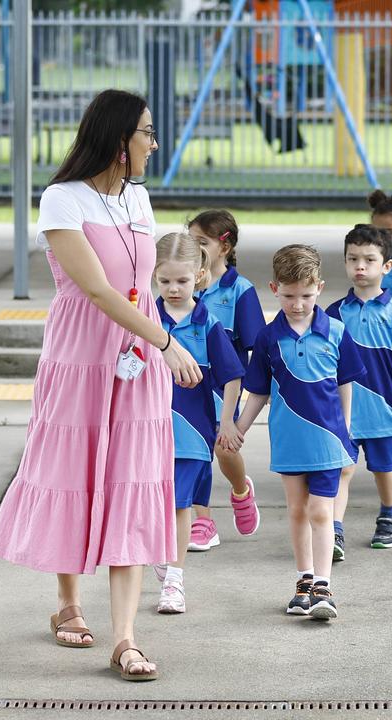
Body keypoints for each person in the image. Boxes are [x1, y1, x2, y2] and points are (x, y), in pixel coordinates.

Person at [0, 89, 202, 682]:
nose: (154, 145)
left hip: (135, 354)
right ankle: (68, 603)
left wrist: (157, 342)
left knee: (131, 480)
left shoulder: (138, 199)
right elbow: (97, 291)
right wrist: (166, 343)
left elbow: (141, 285)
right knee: (75, 471)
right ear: (118, 140)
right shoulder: (62, 199)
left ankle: (127, 639)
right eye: (147, 134)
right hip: (82, 354)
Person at [234, 244, 366, 620]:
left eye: (306, 295)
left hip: (328, 441)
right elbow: (257, 390)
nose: (297, 303)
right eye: (289, 295)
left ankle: (323, 586)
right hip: (289, 441)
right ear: (274, 289)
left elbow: (345, 385)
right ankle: (303, 582)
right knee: (295, 511)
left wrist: (347, 430)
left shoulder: (337, 332)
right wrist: (239, 427)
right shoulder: (267, 338)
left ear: (319, 288)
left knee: (320, 511)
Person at [151, 232, 244, 614]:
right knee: (154, 502)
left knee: (180, 505)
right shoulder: (144, 322)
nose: (174, 289)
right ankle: (162, 555)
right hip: (147, 432)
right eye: (165, 281)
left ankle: (175, 581)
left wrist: (226, 423)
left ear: (200, 276)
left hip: (193, 433)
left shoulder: (209, 326)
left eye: (182, 281)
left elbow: (233, 377)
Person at [326, 225, 392, 557]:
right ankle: (334, 530)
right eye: (353, 259)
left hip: (385, 408)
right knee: (341, 468)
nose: (360, 267)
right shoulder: (334, 313)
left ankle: (389, 514)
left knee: (384, 467)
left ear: (387, 266)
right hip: (344, 410)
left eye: (369, 259)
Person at [185, 210, 265, 550]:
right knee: (192, 452)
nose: (193, 249)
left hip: (224, 390)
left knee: (224, 450)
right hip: (187, 387)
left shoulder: (239, 291)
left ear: (224, 245)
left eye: (200, 243)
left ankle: (240, 490)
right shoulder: (182, 285)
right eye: (189, 242)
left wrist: (250, 406)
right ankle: (202, 520)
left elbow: (258, 348)